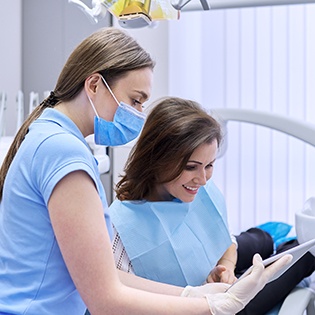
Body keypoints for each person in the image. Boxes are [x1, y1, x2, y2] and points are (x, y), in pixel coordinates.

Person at [0, 27, 291, 315]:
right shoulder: (62, 153)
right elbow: (105, 300)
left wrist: (192, 295)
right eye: (135, 100)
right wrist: (210, 307)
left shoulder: (48, 137)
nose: (139, 113)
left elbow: (103, 277)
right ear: (94, 86)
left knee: (277, 246)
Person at [109, 96, 315, 315]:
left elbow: (226, 240)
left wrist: (227, 266)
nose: (203, 179)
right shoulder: (119, 230)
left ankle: (268, 242)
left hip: (212, 268)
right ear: (157, 158)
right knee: (303, 255)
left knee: (263, 240)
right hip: (201, 307)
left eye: (209, 165)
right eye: (191, 167)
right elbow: (118, 297)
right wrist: (204, 297)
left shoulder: (195, 187)